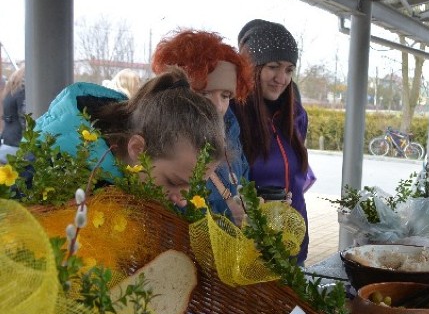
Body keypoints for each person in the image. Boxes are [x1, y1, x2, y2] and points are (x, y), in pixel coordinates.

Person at [35, 66, 226, 207]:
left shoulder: (144, 183)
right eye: (174, 182)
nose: (183, 202)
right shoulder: (51, 174)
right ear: (137, 149)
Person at [232, 18, 315, 265]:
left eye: (289, 69)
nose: (282, 78)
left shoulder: (296, 115)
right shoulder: (233, 116)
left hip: (293, 242)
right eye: (273, 67)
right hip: (253, 247)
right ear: (250, 67)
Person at [151, 29, 254, 224]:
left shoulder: (230, 130)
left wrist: (250, 205)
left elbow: (244, 180)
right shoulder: (161, 141)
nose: (218, 106)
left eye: (225, 96)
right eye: (205, 93)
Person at [1, 65, 26, 164]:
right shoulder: (23, 92)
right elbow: (25, 119)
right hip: (17, 146)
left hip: (7, 143)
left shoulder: (10, 91)